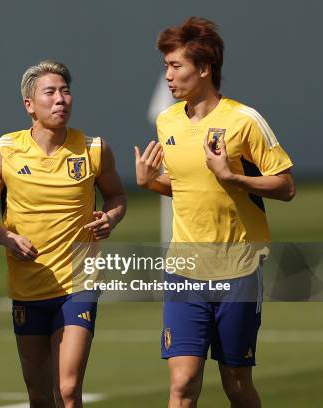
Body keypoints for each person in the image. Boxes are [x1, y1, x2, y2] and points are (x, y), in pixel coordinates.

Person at [135, 17, 295, 408]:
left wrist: (234, 178)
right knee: (182, 384)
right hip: (184, 268)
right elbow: (187, 188)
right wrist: (149, 182)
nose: (169, 77)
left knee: (236, 384)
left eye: (176, 67)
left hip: (237, 270)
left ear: (204, 69)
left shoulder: (244, 121)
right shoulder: (167, 121)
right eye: (166, 67)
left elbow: (286, 187)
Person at [0, 60, 127, 408]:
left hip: (78, 284)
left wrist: (112, 218)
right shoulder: (4, 154)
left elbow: (117, 196)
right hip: (28, 287)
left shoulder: (94, 150)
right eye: (50, 92)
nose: (61, 99)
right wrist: (6, 238)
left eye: (65, 91)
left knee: (68, 391)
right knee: (39, 395)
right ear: (29, 105)